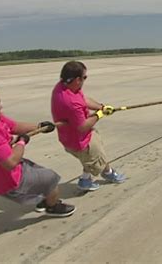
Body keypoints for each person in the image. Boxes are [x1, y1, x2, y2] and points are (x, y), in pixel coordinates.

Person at [0, 85, 75, 217]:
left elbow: (15, 126)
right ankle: (51, 206)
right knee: (51, 178)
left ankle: (43, 200)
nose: (1, 107)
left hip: (13, 169)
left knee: (40, 172)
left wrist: (40, 126)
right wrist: (21, 142)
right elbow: (11, 162)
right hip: (8, 181)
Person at [51, 61, 126, 191]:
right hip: (80, 141)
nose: (85, 80)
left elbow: (83, 100)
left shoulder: (64, 86)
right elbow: (82, 126)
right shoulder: (70, 102)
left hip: (76, 136)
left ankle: (87, 179)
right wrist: (100, 114)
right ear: (77, 79)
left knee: (93, 158)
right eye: (84, 77)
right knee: (96, 158)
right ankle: (105, 174)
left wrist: (101, 107)